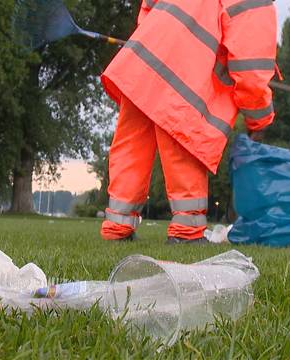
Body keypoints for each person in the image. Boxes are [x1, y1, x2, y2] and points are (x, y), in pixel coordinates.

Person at [99, 0, 278, 243]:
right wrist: (260, 118)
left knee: (132, 148)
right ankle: (187, 232)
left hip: (143, 63)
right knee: (183, 145)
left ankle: (117, 227)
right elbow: (251, 70)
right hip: (183, 77)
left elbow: (148, 8)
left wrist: (158, 38)